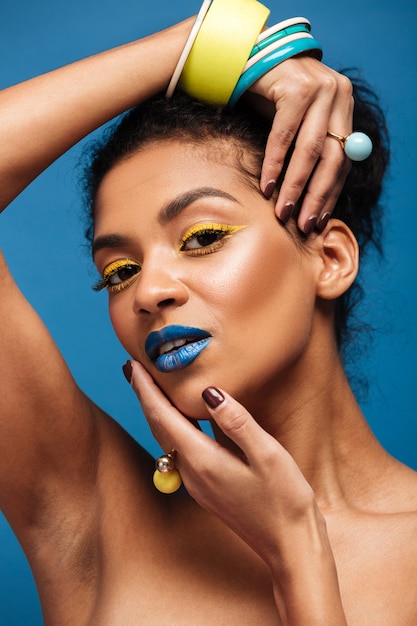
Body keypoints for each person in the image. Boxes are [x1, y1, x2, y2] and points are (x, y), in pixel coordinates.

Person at [0, 4, 416, 625]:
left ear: (328, 258)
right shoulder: (89, 513)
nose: (149, 293)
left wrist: (297, 552)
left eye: (200, 238)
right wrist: (206, 43)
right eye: (120, 271)